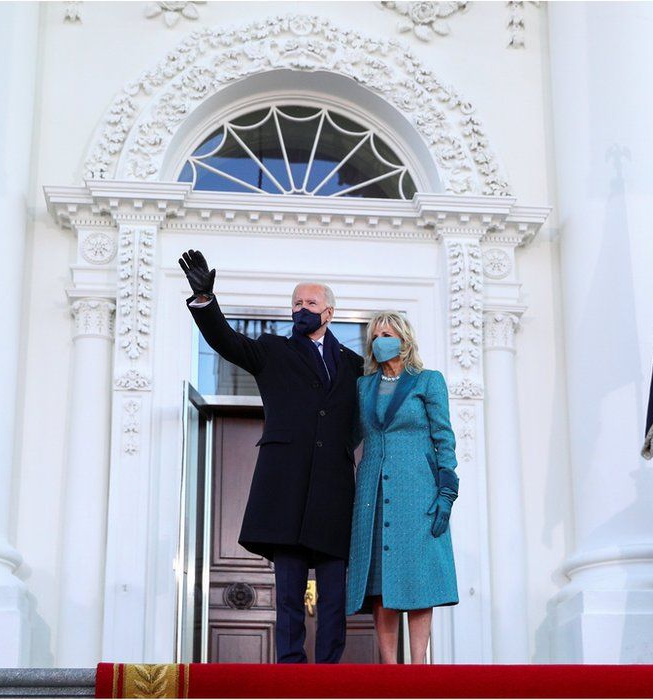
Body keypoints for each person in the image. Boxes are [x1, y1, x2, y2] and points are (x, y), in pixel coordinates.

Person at [179, 250, 364, 664]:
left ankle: (330, 671)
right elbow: (225, 341)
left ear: (328, 313)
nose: (301, 310)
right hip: (285, 489)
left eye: (310, 304)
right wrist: (207, 301)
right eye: (296, 304)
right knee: (288, 593)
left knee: (335, 596)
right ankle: (291, 670)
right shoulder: (272, 350)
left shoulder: (355, 364)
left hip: (334, 490)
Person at [346, 311, 459, 664]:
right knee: (380, 583)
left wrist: (446, 491)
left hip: (418, 490)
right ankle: (390, 670)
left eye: (388, 333)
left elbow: (444, 437)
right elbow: (352, 435)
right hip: (373, 492)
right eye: (376, 334)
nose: (381, 339)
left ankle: (418, 666)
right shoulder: (363, 386)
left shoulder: (428, 381)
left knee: (418, 578)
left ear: (404, 339)